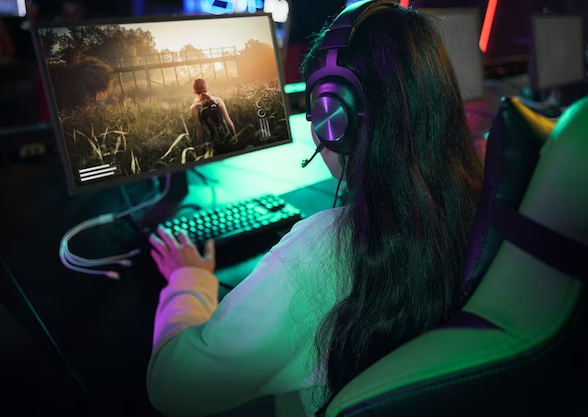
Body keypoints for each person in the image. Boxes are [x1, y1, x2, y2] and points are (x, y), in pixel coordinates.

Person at [147, 2, 484, 417]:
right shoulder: (480, 201)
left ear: (334, 120)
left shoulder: (318, 255)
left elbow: (175, 387)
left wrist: (189, 282)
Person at [190, 78, 237, 153]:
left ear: (194, 90)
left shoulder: (195, 107)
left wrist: (199, 149)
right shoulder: (218, 101)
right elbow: (229, 123)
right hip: (226, 139)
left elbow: (199, 131)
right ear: (207, 87)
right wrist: (235, 139)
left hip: (210, 145)